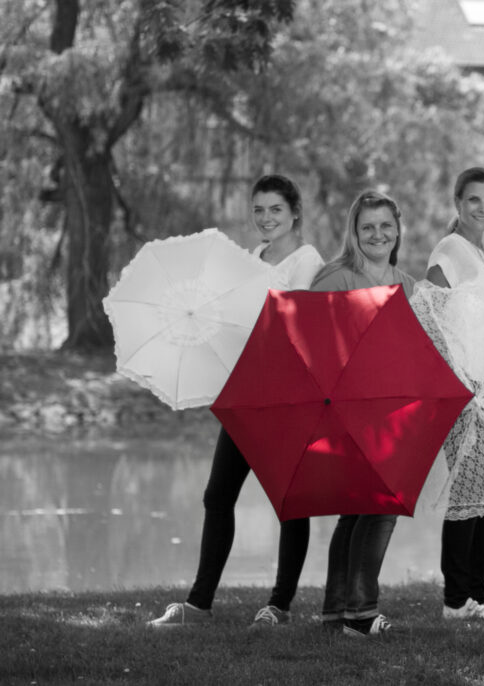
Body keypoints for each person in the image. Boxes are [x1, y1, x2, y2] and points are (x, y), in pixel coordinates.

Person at [148, 174, 325, 628]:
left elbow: (287, 323)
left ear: (294, 213)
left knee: (290, 502)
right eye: (259, 210)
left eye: (275, 211)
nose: (265, 219)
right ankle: (198, 604)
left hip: (287, 399)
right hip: (245, 394)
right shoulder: (253, 258)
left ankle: (279, 606)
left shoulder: (307, 260)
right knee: (217, 495)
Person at [310, 189, 416, 639]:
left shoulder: (407, 284)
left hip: (392, 411)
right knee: (379, 508)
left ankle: (337, 612)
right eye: (368, 226)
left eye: (385, 226)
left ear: (398, 231)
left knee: (357, 512)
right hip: (346, 412)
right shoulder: (334, 280)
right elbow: (310, 345)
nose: (378, 234)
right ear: (354, 232)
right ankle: (362, 613)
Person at [425, 167, 484, 622]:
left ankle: (478, 592)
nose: (482, 208)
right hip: (466, 391)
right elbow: (431, 319)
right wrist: (460, 384)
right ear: (458, 203)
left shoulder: (478, 252)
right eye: (473, 199)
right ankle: (456, 601)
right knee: (468, 494)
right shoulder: (449, 251)